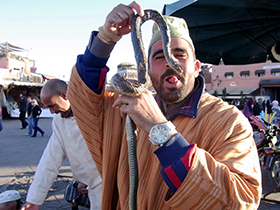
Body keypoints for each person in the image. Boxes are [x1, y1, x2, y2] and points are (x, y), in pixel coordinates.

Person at [67, 2, 261, 209]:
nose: (170, 62)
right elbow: (86, 98)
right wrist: (107, 36)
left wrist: (160, 130)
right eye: (160, 57)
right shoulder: (128, 113)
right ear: (148, 71)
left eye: (179, 54)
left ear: (196, 68)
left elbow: (240, 200)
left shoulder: (228, 122)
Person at [21, 79, 102, 210]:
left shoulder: (95, 110)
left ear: (64, 95)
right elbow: (49, 161)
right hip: (95, 191)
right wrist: (34, 200)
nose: (52, 112)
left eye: (52, 106)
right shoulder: (59, 122)